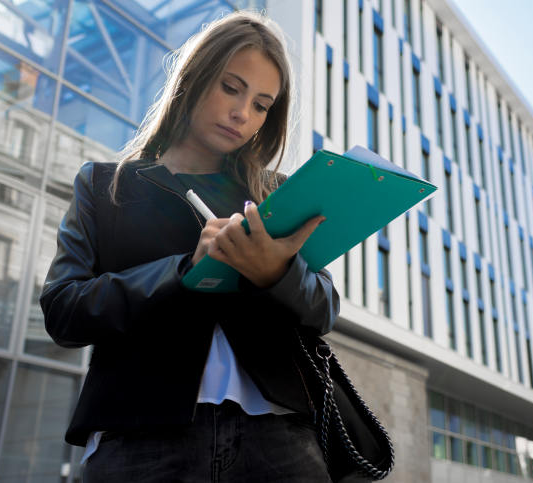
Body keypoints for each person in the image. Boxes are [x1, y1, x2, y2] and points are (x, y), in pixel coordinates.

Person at [40, 9, 339, 483]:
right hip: (139, 437)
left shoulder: (275, 195)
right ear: (193, 78)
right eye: (231, 87)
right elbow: (62, 311)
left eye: (262, 104)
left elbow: (324, 308)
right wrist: (182, 271)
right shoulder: (103, 186)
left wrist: (275, 273)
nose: (243, 114)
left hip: (279, 437)